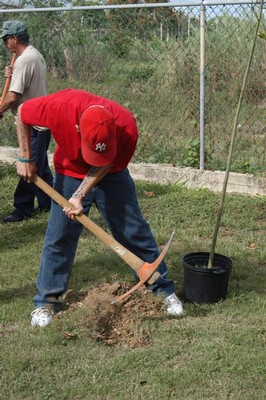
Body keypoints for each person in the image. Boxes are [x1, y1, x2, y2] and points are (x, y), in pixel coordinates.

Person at [15, 88, 184, 327]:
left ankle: (161, 288)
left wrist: (79, 195)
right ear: (77, 129)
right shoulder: (60, 107)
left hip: (112, 174)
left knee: (133, 231)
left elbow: (106, 163)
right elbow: (22, 112)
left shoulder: (126, 126)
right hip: (69, 171)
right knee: (59, 237)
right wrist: (26, 157)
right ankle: (46, 302)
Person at [0, 20, 53, 223]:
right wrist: (12, 75)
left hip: (33, 125)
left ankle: (22, 208)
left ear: (15, 39)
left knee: (28, 165)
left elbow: (13, 97)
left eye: (6, 39)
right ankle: (48, 202)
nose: (5, 43)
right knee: (40, 165)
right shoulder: (34, 54)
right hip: (40, 122)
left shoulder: (24, 61)